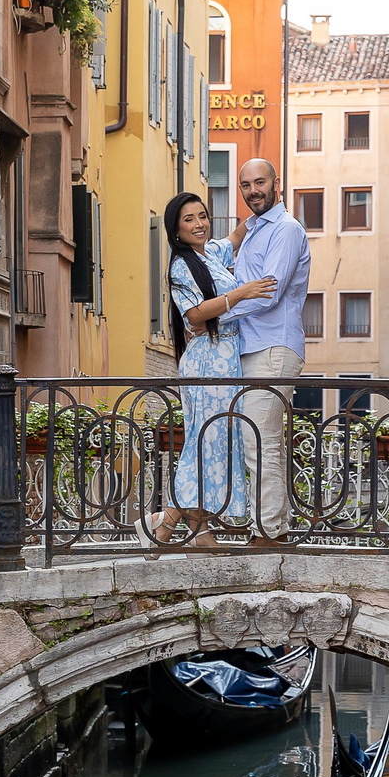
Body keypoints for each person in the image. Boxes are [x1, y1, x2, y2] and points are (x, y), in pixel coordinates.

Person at [149, 190, 277, 543]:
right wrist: (241, 293)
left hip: (226, 356)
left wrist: (265, 205)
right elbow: (193, 315)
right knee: (207, 440)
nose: (199, 224)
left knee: (216, 438)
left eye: (203, 216)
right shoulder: (181, 266)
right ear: (176, 230)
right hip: (207, 359)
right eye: (189, 219)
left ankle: (199, 529)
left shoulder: (211, 254)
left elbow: (237, 236)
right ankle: (166, 522)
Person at [221, 158, 310, 536]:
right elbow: (218, 259)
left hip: (273, 346)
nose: (253, 191)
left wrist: (214, 315)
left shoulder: (286, 230)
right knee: (261, 440)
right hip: (253, 346)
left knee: (260, 440)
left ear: (277, 183)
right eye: (245, 185)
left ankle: (269, 533)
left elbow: (268, 293)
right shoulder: (254, 230)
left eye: (260, 182)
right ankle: (275, 528)